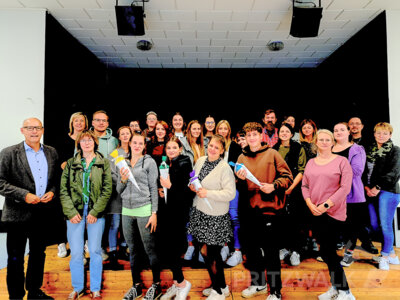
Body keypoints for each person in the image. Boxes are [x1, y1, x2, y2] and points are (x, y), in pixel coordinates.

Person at [0, 118, 58, 300]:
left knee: (38, 255)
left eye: (37, 128)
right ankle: (16, 296)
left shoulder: (51, 152)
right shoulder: (9, 153)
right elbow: (1, 183)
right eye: (29, 128)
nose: (34, 131)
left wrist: (52, 192)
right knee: (15, 258)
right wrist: (24, 195)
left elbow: (55, 180)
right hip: (17, 214)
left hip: (42, 213)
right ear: (22, 130)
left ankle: (34, 292)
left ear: (42, 130)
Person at [236, 122, 293, 300]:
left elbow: (288, 177)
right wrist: (239, 180)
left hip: (269, 211)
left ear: (261, 136)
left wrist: (274, 185)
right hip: (248, 211)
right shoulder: (241, 158)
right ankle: (258, 283)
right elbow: (238, 187)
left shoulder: (272, 153)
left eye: (255, 134)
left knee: (271, 253)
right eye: (248, 135)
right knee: (251, 251)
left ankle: (275, 291)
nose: (252, 138)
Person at [302, 129, 355, 300]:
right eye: (321, 139)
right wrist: (310, 204)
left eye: (328, 140)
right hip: (315, 211)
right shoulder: (310, 163)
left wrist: (325, 205)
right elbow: (305, 186)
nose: (324, 142)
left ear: (333, 142)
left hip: (333, 212)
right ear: (315, 142)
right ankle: (336, 287)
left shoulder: (342, 161)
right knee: (324, 252)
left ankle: (346, 292)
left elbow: (345, 188)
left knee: (329, 252)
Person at [60, 130, 112, 300]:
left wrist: (95, 211)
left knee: (95, 251)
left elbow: (107, 190)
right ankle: (78, 288)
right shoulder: (70, 163)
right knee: (76, 252)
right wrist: (70, 212)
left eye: (90, 140)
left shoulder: (103, 162)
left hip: (96, 213)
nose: (87, 143)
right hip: (75, 212)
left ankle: (95, 288)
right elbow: (63, 190)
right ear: (79, 144)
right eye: (83, 141)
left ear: (95, 142)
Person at [188, 134, 236, 300]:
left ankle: (218, 291)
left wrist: (208, 193)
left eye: (217, 147)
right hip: (200, 213)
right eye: (211, 146)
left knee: (212, 254)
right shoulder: (201, 160)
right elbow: (194, 178)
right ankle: (222, 286)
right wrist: (192, 186)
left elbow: (230, 193)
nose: (213, 149)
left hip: (215, 217)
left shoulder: (225, 168)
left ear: (222, 150)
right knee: (204, 251)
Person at [118, 132, 161, 300]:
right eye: (134, 142)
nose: (136, 145)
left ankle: (156, 286)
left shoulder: (149, 162)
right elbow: (118, 191)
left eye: (140, 143)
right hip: (127, 212)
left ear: (144, 145)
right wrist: (122, 180)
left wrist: (154, 213)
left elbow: (153, 189)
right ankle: (136, 287)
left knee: (150, 250)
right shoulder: (123, 162)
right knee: (133, 251)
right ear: (130, 143)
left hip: (145, 210)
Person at [332, 122, 377, 267]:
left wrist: (332, 172)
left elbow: (357, 171)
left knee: (353, 226)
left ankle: (348, 254)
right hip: (332, 194)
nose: (338, 132)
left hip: (352, 194)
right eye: (336, 130)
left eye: (342, 130)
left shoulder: (357, 149)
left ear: (348, 132)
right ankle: (331, 252)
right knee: (335, 225)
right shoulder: (329, 148)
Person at [159, 136, 194, 300]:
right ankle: (176, 283)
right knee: (168, 248)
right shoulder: (170, 163)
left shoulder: (184, 162)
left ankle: (182, 283)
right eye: (168, 148)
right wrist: (163, 190)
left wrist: (169, 187)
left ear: (180, 149)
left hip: (178, 212)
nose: (171, 150)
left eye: (174, 147)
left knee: (173, 249)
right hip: (169, 211)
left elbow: (185, 192)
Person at [363, 122, 400, 270]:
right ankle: (392, 254)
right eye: (378, 133)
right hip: (370, 191)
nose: (381, 136)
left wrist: (377, 188)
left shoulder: (395, 150)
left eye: (385, 133)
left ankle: (384, 256)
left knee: (385, 225)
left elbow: (394, 173)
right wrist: (366, 187)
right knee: (373, 224)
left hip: (388, 191)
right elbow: (363, 172)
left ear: (390, 135)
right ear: (374, 134)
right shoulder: (369, 150)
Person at [273, 123, 307, 266]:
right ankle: (283, 248)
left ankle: (296, 251)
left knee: (296, 220)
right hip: (278, 189)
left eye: (287, 131)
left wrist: (291, 187)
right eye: (282, 131)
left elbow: (301, 170)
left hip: (294, 189)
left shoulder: (298, 148)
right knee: (280, 220)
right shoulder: (273, 149)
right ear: (278, 133)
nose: (284, 133)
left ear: (292, 134)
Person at [56, 112, 89, 258]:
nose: (79, 123)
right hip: (67, 180)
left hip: (85, 181)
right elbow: (61, 162)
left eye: (81, 121)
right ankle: (61, 243)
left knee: (85, 210)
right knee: (64, 211)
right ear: (72, 123)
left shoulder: (88, 139)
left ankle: (85, 241)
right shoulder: (64, 139)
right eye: (76, 121)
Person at [216, 120, 243, 267]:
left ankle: (237, 250)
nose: (222, 130)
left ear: (229, 130)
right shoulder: (213, 147)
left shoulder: (235, 146)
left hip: (232, 187)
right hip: (217, 188)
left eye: (225, 128)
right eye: (220, 128)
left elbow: (239, 167)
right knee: (221, 217)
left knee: (234, 217)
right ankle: (225, 246)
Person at [105, 126, 132, 270]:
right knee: (115, 224)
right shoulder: (114, 154)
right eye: (123, 134)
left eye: (128, 133)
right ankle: (113, 251)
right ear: (119, 137)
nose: (125, 136)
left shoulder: (135, 151)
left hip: (132, 194)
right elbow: (111, 174)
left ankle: (124, 248)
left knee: (127, 224)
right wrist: (121, 182)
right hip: (117, 194)